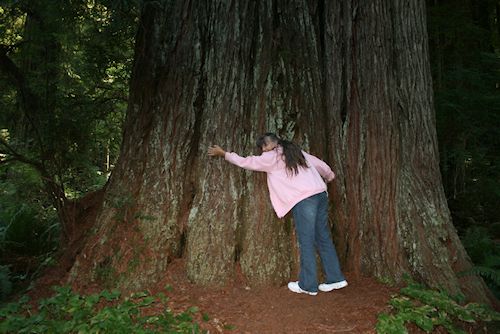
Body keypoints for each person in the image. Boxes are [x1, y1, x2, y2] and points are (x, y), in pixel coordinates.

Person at [208, 133, 347, 296]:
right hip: (320, 194)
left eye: (262, 148)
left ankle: (308, 285)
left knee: (307, 241)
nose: (262, 152)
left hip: (304, 200)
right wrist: (329, 176)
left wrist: (224, 154)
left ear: (267, 146)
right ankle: (336, 278)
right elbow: (320, 165)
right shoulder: (295, 151)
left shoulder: (271, 157)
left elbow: (247, 162)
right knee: (322, 237)